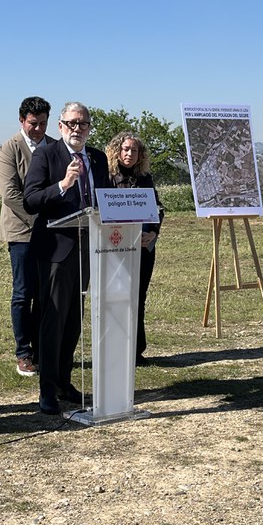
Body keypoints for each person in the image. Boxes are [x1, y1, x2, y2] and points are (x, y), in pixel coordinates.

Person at [24, 101, 111, 414]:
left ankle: (64, 381)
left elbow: (105, 200)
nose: (77, 129)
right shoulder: (46, 155)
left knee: (73, 320)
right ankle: (47, 389)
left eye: (83, 123)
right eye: (72, 123)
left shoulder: (98, 158)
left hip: (89, 247)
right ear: (60, 126)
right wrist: (62, 185)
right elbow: (31, 200)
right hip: (56, 250)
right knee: (53, 321)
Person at [0, 96, 54, 377]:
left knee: (46, 292)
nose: (38, 129)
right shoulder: (9, 148)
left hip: (52, 231)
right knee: (23, 293)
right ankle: (23, 352)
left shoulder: (55, 146)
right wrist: (38, 220)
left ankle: (43, 349)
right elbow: (10, 194)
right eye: (33, 124)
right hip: (22, 232)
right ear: (21, 121)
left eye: (43, 123)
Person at [105, 132, 164, 366]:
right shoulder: (107, 177)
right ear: (117, 151)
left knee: (138, 297)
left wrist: (154, 232)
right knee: (116, 298)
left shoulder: (145, 178)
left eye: (134, 150)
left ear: (141, 155)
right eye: (126, 149)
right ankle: (115, 348)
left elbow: (158, 208)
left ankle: (136, 350)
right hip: (115, 248)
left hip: (143, 248)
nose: (130, 154)